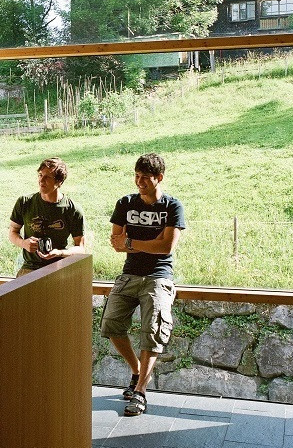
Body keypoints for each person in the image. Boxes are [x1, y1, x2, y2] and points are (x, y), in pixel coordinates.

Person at [101, 153, 185, 416]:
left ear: (159, 178)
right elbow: (116, 243)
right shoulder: (125, 203)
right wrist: (149, 242)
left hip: (159, 276)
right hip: (129, 274)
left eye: (145, 178)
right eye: (136, 177)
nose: (139, 182)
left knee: (152, 332)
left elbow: (167, 246)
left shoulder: (173, 206)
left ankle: (140, 392)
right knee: (110, 324)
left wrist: (132, 243)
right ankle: (137, 371)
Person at [8, 157, 85, 277]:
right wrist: (24, 243)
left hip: (58, 269)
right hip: (30, 268)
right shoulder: (24, 202)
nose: (41, 180)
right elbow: (12, 232)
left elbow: (80, 248)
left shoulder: (72, 209)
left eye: (47, 177)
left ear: (59, 182)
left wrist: (59, 253)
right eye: (40, 175)